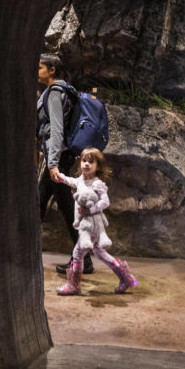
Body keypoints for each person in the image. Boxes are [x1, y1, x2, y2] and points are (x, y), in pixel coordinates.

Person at [52, 147, 138, 296]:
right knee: (100, 253)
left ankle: (73, 285)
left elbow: (105, 202)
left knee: (78, 252)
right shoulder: (81, 180)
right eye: (84, 161)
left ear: (98, 166)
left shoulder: (97, 184)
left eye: (91, 162)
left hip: (91, 225)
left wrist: (90, 211)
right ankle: (126, 277)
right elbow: (71, 181)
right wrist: (60, 176)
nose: (86, 164)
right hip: (85, 225)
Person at [37, 54, 94, 275]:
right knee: (57, 205)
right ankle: (83, 259)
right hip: (60, 157)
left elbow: (57, 129)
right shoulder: (63, 91)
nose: (37, 71)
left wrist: (52, 164)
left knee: (42, 204)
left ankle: (82, 259)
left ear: (52, 70)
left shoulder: (55, 93)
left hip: (57, 159)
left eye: (40, 67)